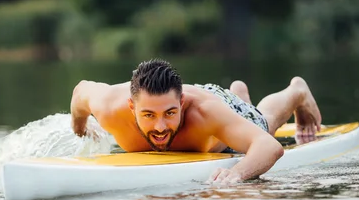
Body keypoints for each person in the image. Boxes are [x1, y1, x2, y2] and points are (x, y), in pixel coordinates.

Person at [70, 58, 322, 184]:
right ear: (131, 107)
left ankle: (296, 92)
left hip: (216, 102)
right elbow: (79, 92)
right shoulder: (107, 106)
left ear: (181, 104)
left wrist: (236, 174)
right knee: (237, 119)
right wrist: (81, 130)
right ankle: (240, 95)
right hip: (206, 105)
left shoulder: (203, 111)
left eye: (170, 113)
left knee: (261, 122)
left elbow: (269, 146)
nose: (160, 127)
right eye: (148, 115)